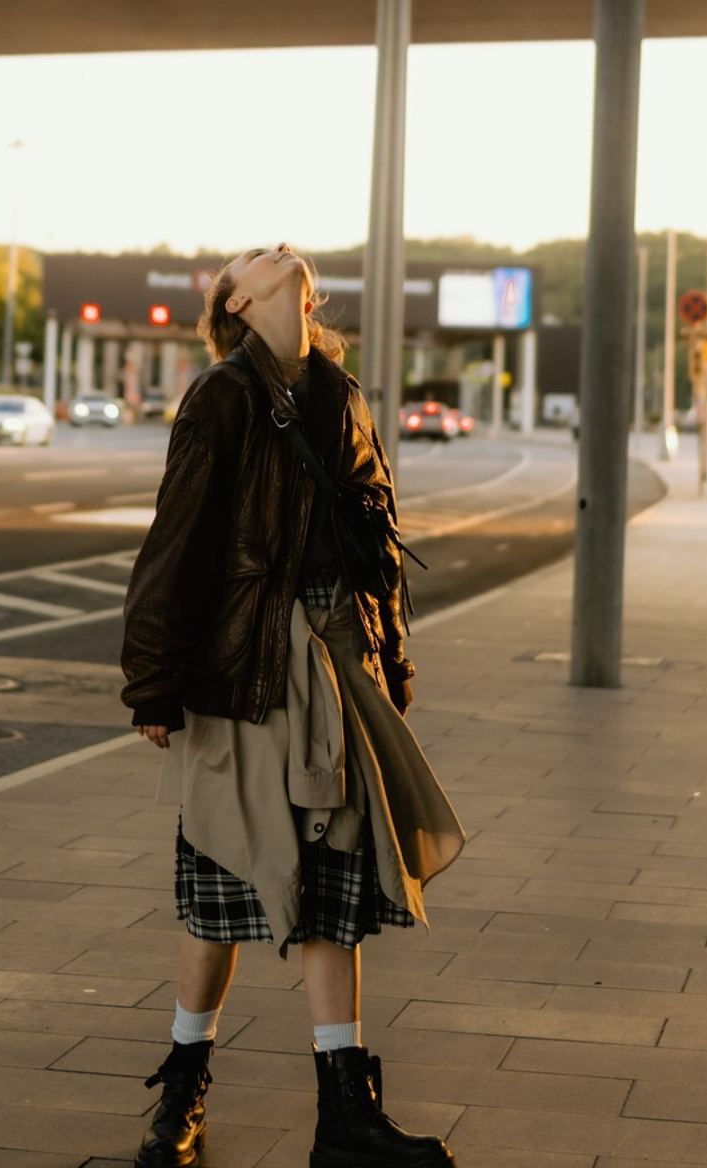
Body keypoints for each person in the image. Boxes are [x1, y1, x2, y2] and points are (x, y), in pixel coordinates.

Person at [122, 243, 465, 1168]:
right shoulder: (221, 396)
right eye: (256, 254)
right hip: (248, 665)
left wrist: (391, 659)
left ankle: (345, 1116)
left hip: (337, 657)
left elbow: (379, 539)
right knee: (223, 882)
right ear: (239, 298)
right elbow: (178, 538)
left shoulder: (343, 396)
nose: (280, 248)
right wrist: (152, 679)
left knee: (334, 882)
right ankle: (181, 1097)